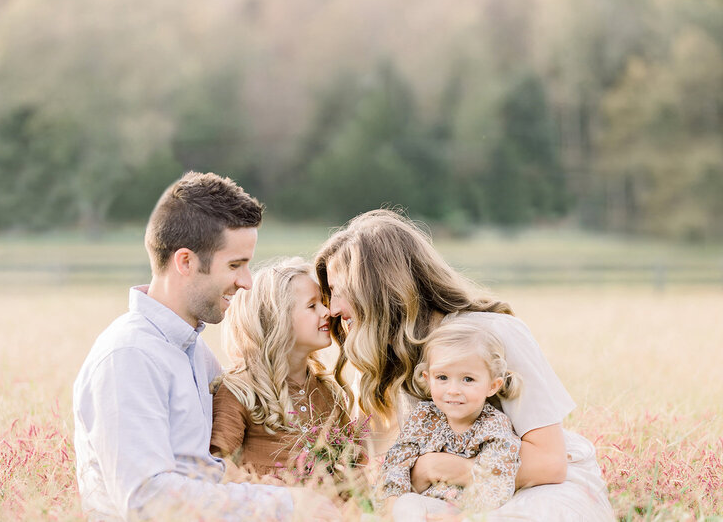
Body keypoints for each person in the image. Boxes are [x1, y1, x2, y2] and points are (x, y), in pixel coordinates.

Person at [73, 172, 340, 522]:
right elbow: (145, 499)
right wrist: (287, 505)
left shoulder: (196, 356)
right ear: (185, 262)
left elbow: (219, 472)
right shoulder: (129, 356)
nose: (246, 282)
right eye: (235, 265)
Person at [314, 209, 614, 521]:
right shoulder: (395, 359)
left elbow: (549, 463)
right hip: (454, 496)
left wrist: (441, 467)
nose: (333, 309)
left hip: (542, 489)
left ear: (376, 288)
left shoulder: (493, 333)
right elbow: (368, 465)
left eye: (338, 291)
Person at [210, 257, 356, 481]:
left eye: (323, 302)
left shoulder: (327, 393)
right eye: (312, 305)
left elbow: (351, 462)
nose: (327, 311)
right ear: (277, 320)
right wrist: (265, 488)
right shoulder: (241, 391)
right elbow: (217, 465)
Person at [378, 320, 522, 521]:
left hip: (467, 512)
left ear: (492, 385)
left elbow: (496, 482)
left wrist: (462, 517)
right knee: (406, 504)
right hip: (421, 507)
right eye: (442, 377)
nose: (453, 390)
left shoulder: (494, 425)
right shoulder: (424, 417)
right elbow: (397, 462)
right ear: (428, 379)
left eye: (468, 379)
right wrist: (391, 507)